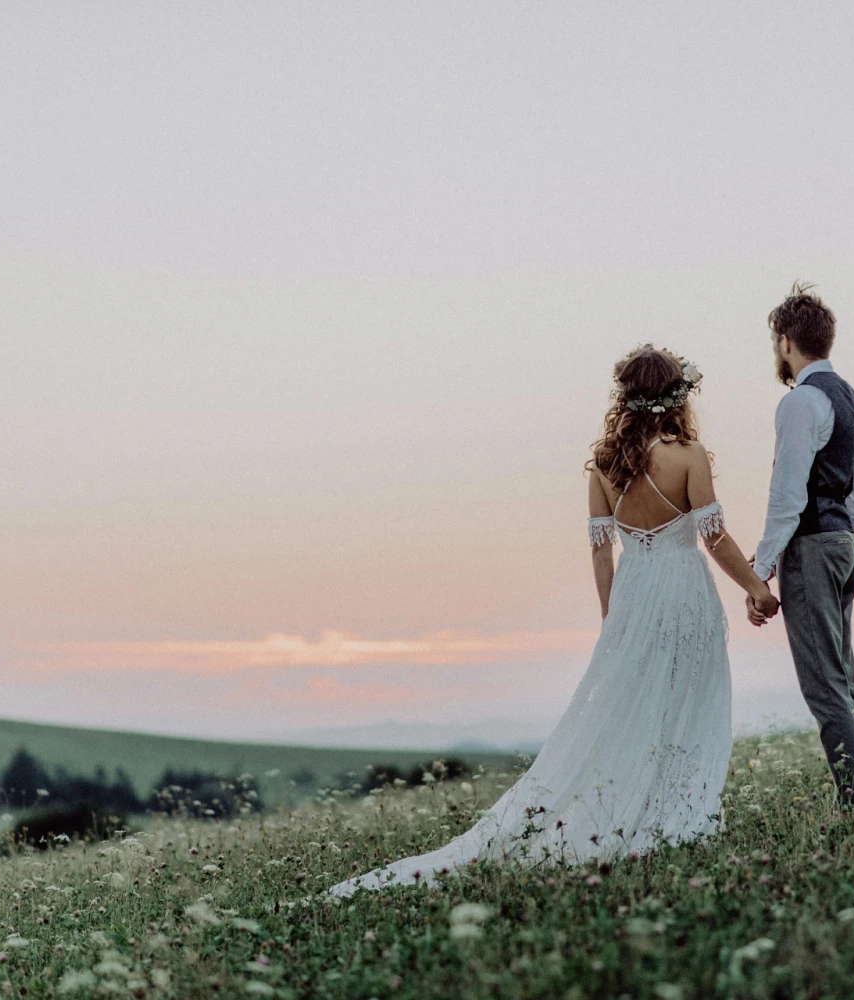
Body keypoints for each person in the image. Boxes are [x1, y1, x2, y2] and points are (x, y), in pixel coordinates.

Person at [329, 345, 777, 894]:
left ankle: (634, 810)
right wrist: (756, 588)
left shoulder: (606, 468)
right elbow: (714, 538)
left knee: (632, 707)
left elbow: (600, 553)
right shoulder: (689, 455)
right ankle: (673, 814)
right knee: (686, 699)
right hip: (682, 592)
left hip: (635, 595)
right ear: (677, 398)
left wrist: (614, 619)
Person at [747, 284, 854, 810]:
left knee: (823, 685)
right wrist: (840, 533)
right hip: (846, 542)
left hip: (814, 548)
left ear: (785, 342)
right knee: (842, 678)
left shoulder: (801, 401)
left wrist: (761, 571)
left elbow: (786, 494)